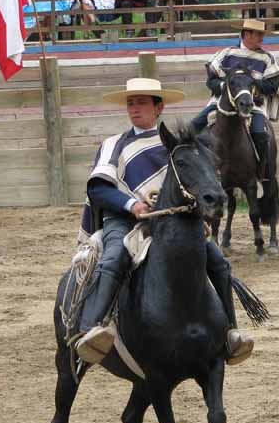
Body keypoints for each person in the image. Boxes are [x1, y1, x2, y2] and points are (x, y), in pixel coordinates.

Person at [74, 77, 254, 366]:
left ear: (158, 108)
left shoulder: (178, 145)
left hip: (174, 223)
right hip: (126, 221)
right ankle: (91, 328)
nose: (135, 108)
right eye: (131, 103)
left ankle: (229, 333)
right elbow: (97, 188)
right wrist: (132, 204)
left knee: (218, 261)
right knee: (113, 258)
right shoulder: (114, 145)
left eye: (142, 102)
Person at [191, 19, 279, 181]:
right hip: (220, 105)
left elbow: (272, 85)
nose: (262, 38)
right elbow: (211, 81)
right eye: (258, 34)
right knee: (194, 126)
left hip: (252, 105)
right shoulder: (226, 53)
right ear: (247, 34)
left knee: (260, 133)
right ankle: (196, 172)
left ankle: (263, 173)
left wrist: (250, 86)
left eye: (262, 34)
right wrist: (226, 88)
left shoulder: (267, 58)